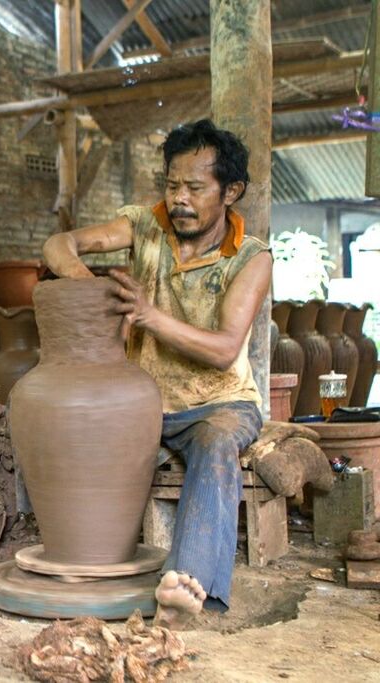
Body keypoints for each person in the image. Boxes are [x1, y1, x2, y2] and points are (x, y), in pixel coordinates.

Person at [42, 119, 273, 629]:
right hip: (142, 404)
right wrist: (87, 285)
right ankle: (72, 563)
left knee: (216, 443)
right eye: (172, 185)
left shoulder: (252, 258)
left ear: (230, 191)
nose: (179, 199)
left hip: (220, 404)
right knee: (53, 425)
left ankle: (184, 586)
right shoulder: (145, 226)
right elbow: (59, 244)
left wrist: (148, 316)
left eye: (195, 188)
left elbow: (224, 348)